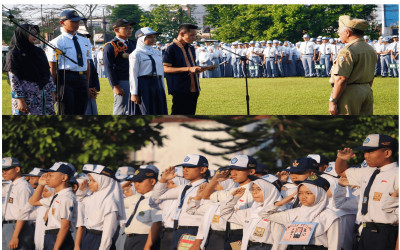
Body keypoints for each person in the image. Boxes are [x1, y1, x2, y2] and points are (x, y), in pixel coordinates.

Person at [335, 134, 398, 250]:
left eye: (370, 151)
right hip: (365, 231)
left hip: (386, 232)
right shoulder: (367, 172)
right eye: (365, 152)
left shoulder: (396, 174)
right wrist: (341, 159)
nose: (366, 156)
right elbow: (342, 171)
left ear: (387, 153)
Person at [260, 175, 340, 250]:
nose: (303, 196)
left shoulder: (330, 216)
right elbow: (264, 214)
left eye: (308, 193)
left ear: (320, 194)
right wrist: (280, 203)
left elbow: (334, 245)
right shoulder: (293, 213)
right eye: (300, 193)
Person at [151, 154, 209, 250]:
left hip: (194, 231)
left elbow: (206, 216)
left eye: (190, 167)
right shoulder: (183, 188)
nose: (185, 170)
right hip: (178, 229)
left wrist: (198, 240)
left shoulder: (207, 188)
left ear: (202, 169)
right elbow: (157, 197)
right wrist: (163, 180)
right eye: (184, 167)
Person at [47, 10, 93, 115]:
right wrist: (52, 90)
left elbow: (87, 64)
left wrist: (87, 83)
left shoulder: (85, 41)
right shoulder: (56, 42)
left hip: (82, 78)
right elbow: (52, 68)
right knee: (66, 111)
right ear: (62, 23)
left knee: (81, 111)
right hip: (65, 79)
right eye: (73, 21)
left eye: (78, 21)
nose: (77, 24)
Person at [328, 15, 377, 115]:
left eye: (339, 31)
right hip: (367, 90)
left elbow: (341, 79)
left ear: (347, 32)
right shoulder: (370, 49)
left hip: (349, 92)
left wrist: (332, 101)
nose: (338, 34)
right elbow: (371, 75)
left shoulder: (348, 50)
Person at [220, 178, 285, 250]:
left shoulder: (278, 213)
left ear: (270, 191)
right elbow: (225, 213)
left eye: (259, 189)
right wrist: (234, 198)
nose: (254, 192)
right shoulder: (251, 211)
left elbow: (279, 243)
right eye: (253, 189)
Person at [5, 24, 56, 115]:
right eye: (31, 33)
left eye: (36, 33)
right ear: (22, 34)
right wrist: (20, 99)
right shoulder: (14, 53)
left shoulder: (39, 52)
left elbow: (47, 73)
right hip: (27, 97)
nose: (35, 35)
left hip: (45, 94)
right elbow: (14, 79)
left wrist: (52, 91)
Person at [73, 164, 125, 250]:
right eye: (89, 180)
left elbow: (108, 234)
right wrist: (82, 191)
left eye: (93, 181)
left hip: (99, 240)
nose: (89, 183)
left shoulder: (110, 203)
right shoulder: (93, 198)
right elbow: (80, 200)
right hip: (88, 237)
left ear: (104, 182)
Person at [163, 24, 211, 115]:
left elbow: (192, 67)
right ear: (182, 34)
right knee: (178, 115)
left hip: (194, 88)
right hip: (180, 88)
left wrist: (205, 68)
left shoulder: (191, 48)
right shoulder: (170, 48)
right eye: (192, 35)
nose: (194, 38)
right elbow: (165, 69)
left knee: (191, 115)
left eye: (195, 35)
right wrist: (188, 69)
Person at [28, 162, 77, 250]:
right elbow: (33, 202)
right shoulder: (57, 196)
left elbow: (65, 225)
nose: (47, 178)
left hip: (59, 237)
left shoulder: (66, 198)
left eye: (51, 175)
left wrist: (56, 248)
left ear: (64, 177)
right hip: (50, 236)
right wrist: (41, 185)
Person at [128, 27, 168, 115]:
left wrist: (162, 87)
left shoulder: (156, 52)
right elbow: (133, 74)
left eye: (154, 37)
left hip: (157, 83)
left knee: (159, 109)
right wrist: (134, 93)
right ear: (141, 39)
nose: (153, 39)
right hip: (144, 85)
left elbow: (160, 70)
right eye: (149, 37)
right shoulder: (136, 54)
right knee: (146, 110)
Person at [103, 19, 137, 115]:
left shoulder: (133, 44)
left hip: (134, 79)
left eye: (130, 28)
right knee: (121, 108)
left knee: (134, 108)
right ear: (116, 30)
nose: (129, 30)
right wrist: (115, 85)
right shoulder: (111, 46)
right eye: (126, 28)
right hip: (122, 80)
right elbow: (108, 67)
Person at [124, 165, 162, 250]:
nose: (136, 184)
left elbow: (157, 224)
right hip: (129, 239)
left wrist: (148, 246)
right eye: (134, 181)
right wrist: (121, 188)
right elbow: (115, 201)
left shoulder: (156, 199)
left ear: (152, 181)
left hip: (144, 240)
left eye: (140, 181)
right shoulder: (136, 198)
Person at [2, 157, 35, 250]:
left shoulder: (23, 187)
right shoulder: (11, 185)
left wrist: (15, 236)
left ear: (17, 169)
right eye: (2, 170)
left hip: (19, 227)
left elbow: (23, 213)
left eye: (6, 169)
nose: (3, 173)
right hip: (7, 225)